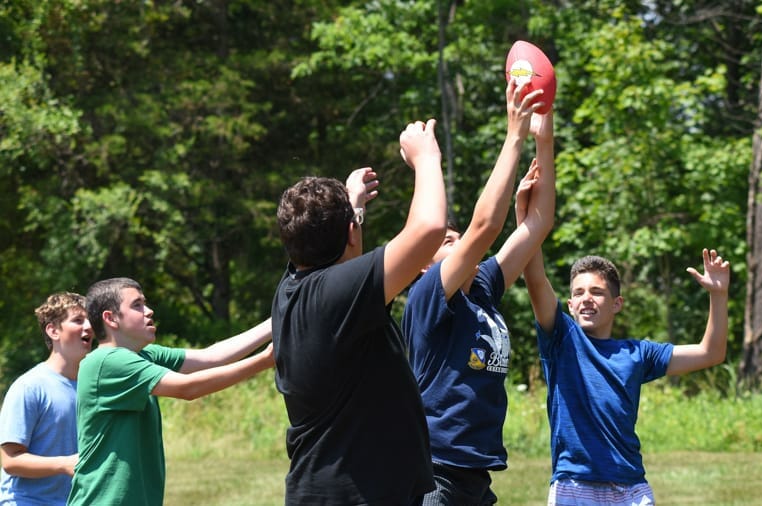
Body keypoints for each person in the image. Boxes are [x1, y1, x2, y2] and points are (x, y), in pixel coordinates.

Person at [271, 118, 447, 505]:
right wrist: (427, 158)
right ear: (350, 233)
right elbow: (430, 227)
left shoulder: (295, 288)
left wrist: (353, 209)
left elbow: (346, 261)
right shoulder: (334, 294)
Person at [401, 79, 555, 505]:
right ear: (423, 263)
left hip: (474, 474)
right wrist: (514, 134)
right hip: (434, 472)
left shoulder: (482, 288)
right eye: (446, 241)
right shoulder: (429, 295)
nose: (457, 243)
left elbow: (538, 225)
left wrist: (544, 137)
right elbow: (484, 227)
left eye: (456, 238)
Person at [521, 243, 730, 506]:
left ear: (616, 304)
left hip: (630, 487)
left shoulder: (638, 353)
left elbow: (711, 353)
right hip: (574, 486)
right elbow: (536, 279)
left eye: (597, 292)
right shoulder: (561, 339)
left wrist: (718, 294)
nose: (587, 298)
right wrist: (528, 221)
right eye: (579, 292)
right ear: (571, 305)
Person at [67, 277, 273, 506]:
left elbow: (211, 357)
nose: (149, 311)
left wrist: (276, 321)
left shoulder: (143, 355)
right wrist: (264, 361)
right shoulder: (107, 361)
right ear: (110, 318)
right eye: (137, 305)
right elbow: (188, 388)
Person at [0, 293, 93, 506]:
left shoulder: (90, 386)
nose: (88, 326)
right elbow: (10, 460)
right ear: (53, 331)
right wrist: (64, 464)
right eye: (78, 320)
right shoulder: (29, 386)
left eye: (89, 320)